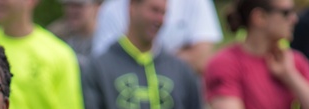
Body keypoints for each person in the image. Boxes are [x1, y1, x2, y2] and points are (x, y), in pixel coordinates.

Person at [91, 0, 222, 74]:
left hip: (181, 104)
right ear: (132, 8)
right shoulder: (111, 9)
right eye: (154, 11)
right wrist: (181, 52)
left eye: (163, 12)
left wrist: (136, 61)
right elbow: (106, 67)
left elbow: (202, 60)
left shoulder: (195, 2)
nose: (160, 20)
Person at [48, 0, 99, 67]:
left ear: (96, 7)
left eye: (79, 6)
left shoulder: (104, 37)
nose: (72, 11)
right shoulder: (55, 35)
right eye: (68, 5)